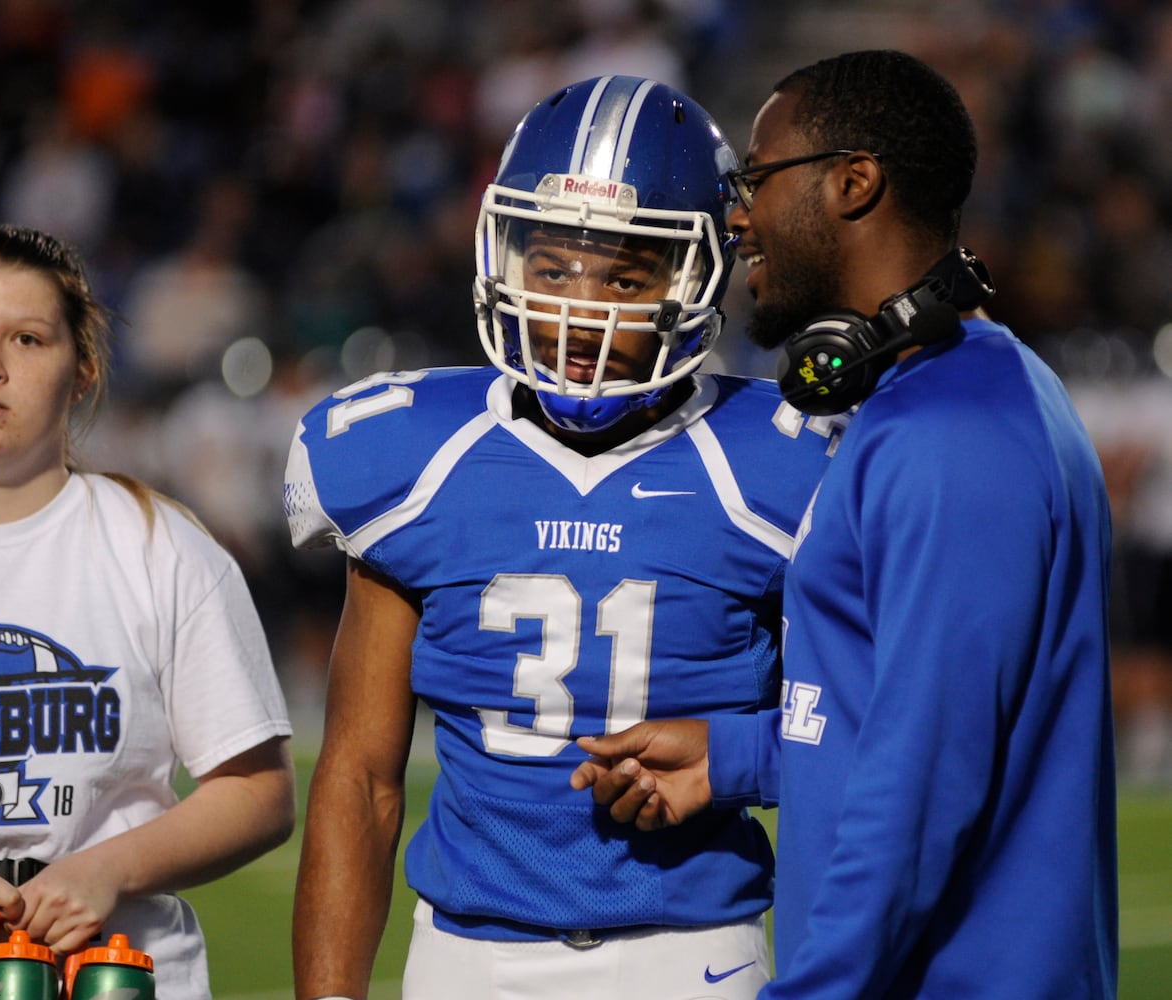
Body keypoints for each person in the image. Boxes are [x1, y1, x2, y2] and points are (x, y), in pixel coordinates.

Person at [283, 75, 847, 1000]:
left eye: (625, 275)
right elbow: (358, 776)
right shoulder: (410, 454)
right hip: (466, 952)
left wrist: (737, 756)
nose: (578, 308)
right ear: (500, 253)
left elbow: (859, 728)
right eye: (551, 268)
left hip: (689, 948)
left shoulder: (782, 463)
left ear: (694, 277)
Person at [571, 50, 1118, 999]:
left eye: (754, 180)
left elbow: (920, 788)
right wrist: (733, 755)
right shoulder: (948, 399)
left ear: (853, 182)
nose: (736, 215)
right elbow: (912, 721)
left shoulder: (950, 434)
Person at [0, 223, 296, 997]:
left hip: (108, 964)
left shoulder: (160, 545)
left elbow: (259, 792)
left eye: (28, 340)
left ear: (83, 370)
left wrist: (106, 868)